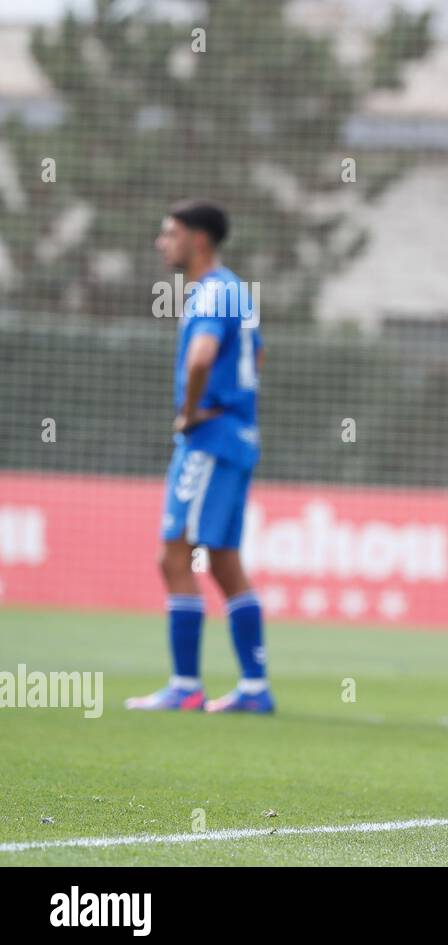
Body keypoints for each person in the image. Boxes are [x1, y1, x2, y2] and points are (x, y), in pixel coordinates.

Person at [126, 200, 273, 714]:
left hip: (209, 438)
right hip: (238, 436)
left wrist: (189, 413)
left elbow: (202, 358)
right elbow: (254, 356)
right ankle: (254, 688)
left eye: (170, 233)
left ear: (199, 240)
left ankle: (186, 684)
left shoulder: (212, 292)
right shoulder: (237, 291)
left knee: (174, 554)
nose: (161, 242)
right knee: (225, 561)